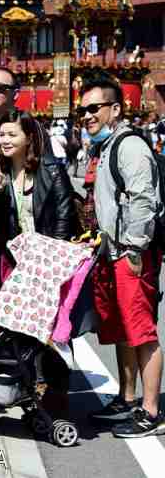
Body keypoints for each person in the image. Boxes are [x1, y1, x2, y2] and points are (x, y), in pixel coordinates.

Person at [79, 76, 164, 437]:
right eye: (83, 110)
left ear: (115, 109)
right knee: (121, 329)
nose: (86, 115)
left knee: (141, 330)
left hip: (131, 252)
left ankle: (150, 410)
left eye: (94, 108)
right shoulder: (107, 145)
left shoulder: (129, 145)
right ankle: (127, 398)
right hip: (111, 251)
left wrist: (133, 247)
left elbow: (143, 198)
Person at [0, 111, 75, 247]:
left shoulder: (52, 171)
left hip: (49, 255)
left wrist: (52, 251)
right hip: (16, 255)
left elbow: (64, 217)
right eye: (1, 135)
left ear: (28, 138)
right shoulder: (2, 172)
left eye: (12, 135)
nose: (4, 140)